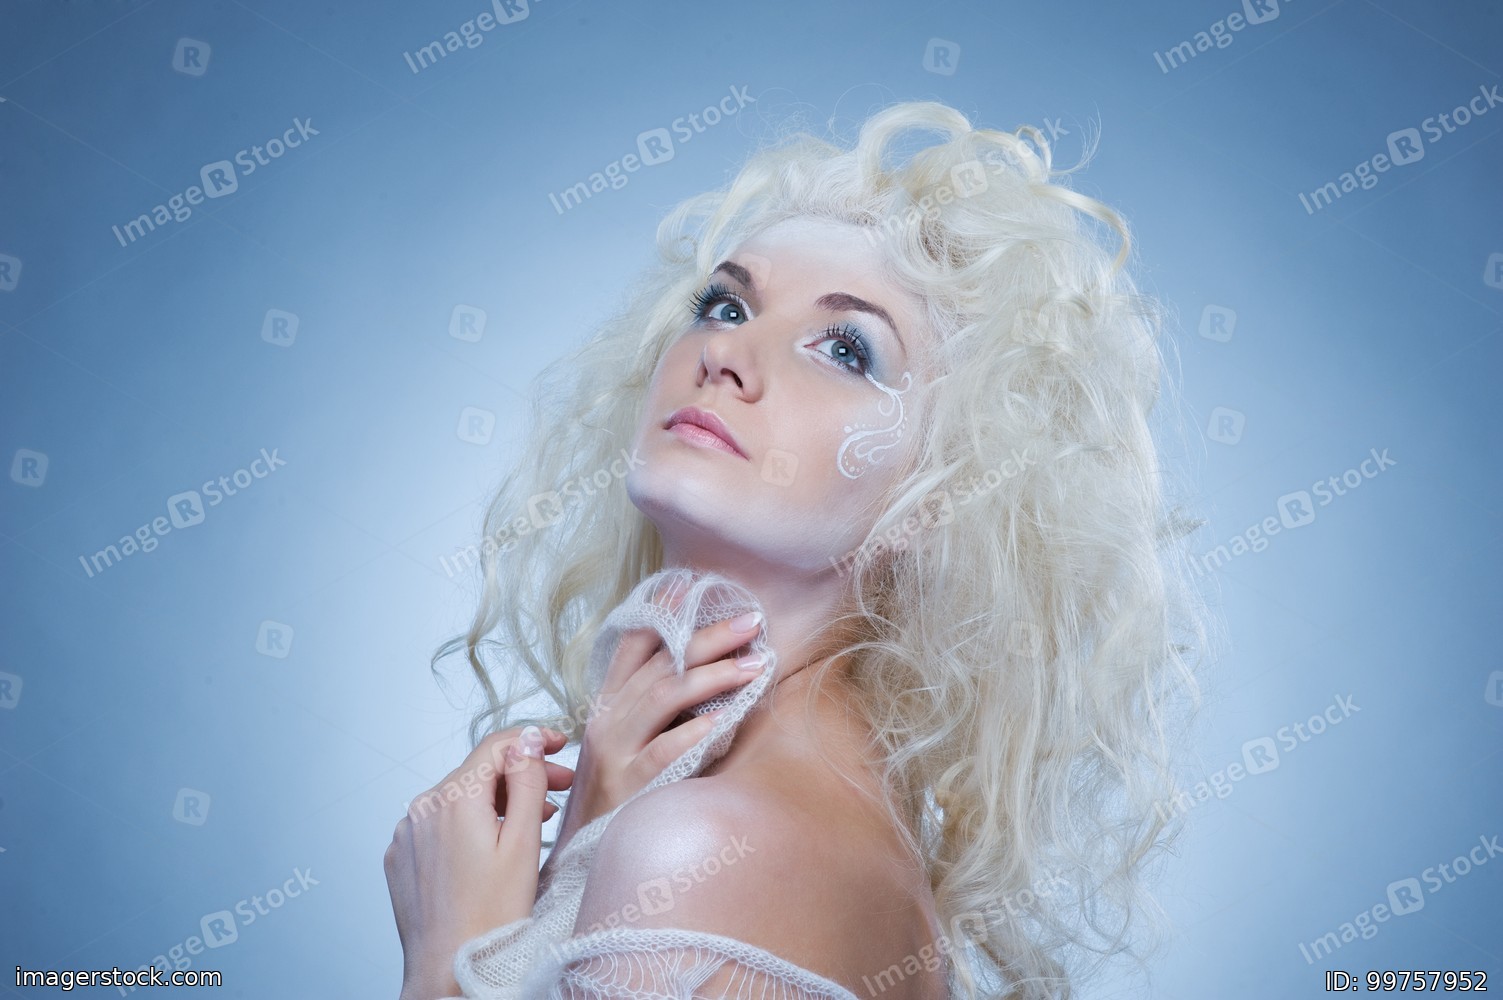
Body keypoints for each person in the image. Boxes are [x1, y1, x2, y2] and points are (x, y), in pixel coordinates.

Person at [385, 100, 1208, 1000]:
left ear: (939, 495)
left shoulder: (701, 847)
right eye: (725, 304)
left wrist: (449, 956)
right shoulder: (776, 817)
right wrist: (584, 836)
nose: (727, 353)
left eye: (845, 349)